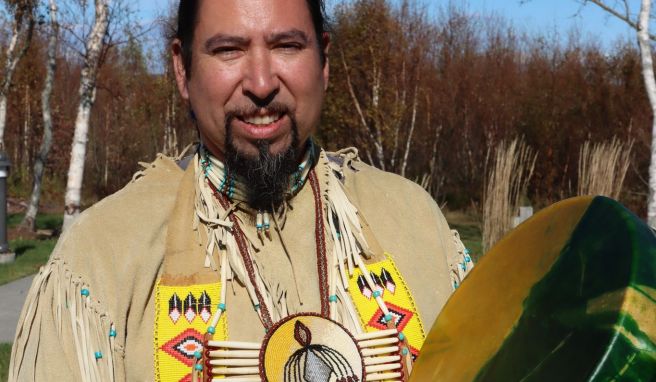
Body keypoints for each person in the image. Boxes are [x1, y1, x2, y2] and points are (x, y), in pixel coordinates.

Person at [9, 0, 472, 381]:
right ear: (181, 68)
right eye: (229, 50)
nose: (262, 83)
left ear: (324, 61)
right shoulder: (102, 257)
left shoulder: (415, 222)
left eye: (287, 45)